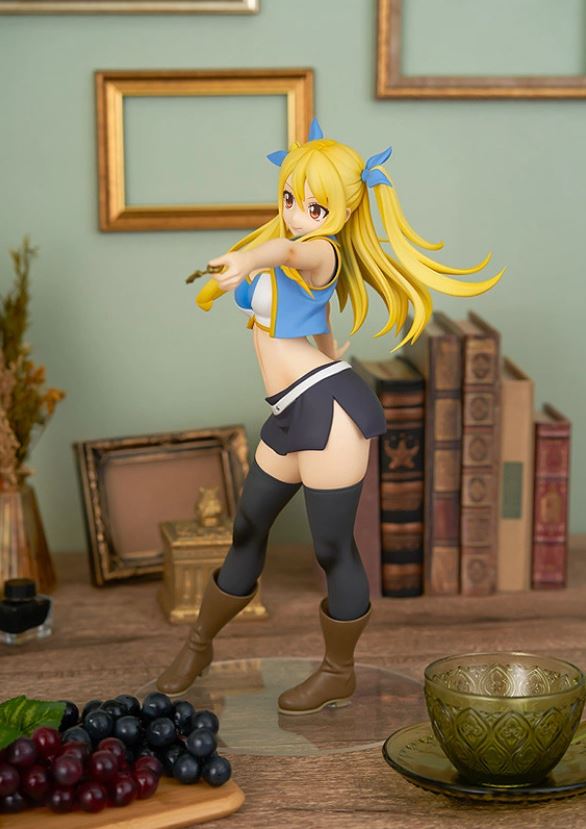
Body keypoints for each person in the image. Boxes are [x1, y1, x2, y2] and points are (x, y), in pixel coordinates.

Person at [156, 119, 502, 714]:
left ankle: (338, 671)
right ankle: (197, 646)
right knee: (248, 528)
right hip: (290, 411)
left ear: (342, 212)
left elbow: (292, 249)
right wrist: (323, 343)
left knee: (332, 548)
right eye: (290, 199)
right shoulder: (291, 257)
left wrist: (247, 259)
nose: (297, 216)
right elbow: (314, 318)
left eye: (314, 207)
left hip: (330, 412)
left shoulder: (321, 251)